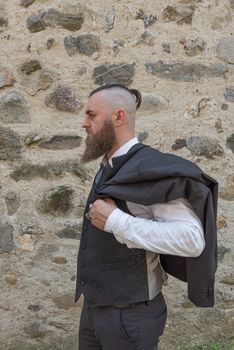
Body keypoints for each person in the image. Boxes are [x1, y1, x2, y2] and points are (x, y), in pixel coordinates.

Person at [75, 84, 218, 350]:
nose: (84, 123)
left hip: (128, 316)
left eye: (91, 115)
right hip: (94, 309)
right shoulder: (108, 165)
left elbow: (192, 240)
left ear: (119, 117)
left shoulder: (150, 170)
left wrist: (117, 221)